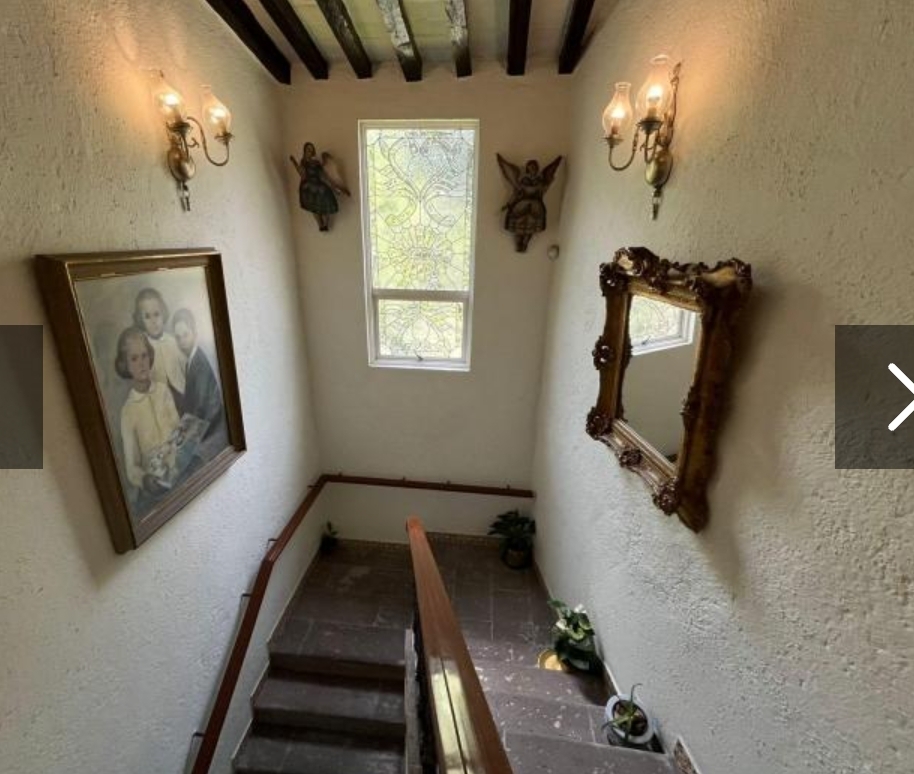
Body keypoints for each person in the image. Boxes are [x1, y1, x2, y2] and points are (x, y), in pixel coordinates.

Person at [115, 326, 180, 497]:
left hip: (179, 470)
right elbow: (132, 468)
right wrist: (145, 480)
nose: (142, 363)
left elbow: (178, 430)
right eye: (134, 358)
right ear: (125, 365)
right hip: (156, 485)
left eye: (144, 356)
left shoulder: (163, 391)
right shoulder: (128, 411)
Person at [172, 308, 224, 438]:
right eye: (178, 337)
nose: (182, 341)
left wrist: (188, 435)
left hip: (211, 425)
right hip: (204, 421)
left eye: (185, 335)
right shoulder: (190, 361)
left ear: (194, 334)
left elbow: (200, 406)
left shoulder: (199, 363)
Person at [133, 287, 186, 412]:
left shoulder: (172, 341)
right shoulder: (143, 347)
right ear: (140, 320)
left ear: (163, 314)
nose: (154, 321)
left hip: (181, 395)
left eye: (156, 314)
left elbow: (185, 367)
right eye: (147, 316)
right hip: (160, 402)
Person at [496, 154, 563, 252]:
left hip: (536, 206)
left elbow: (543, 191)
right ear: (527, 169)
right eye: (531, 167)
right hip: (522, 204)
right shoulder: (524, 180)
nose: (533, 169)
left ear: (537, 168)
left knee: (531, 227)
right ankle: (518, 243)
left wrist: (548, 183)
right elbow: (516, 194)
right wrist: (508, 204)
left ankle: (525, 243)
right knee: (518, 225)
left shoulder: (540, 181)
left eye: (534, 167)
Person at [290, 142, 349, 231]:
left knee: (326, 193)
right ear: (305, 151)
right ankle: (320, 224)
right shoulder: (303, 162)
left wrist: (334, 186)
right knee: (314, 203)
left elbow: (324, 174)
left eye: (311, 150)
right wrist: (294, 163)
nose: (310, 152)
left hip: (318, 182)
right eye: (308, 150)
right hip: (309, 184)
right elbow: (302, 175)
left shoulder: (316, 162)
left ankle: (325, 224)